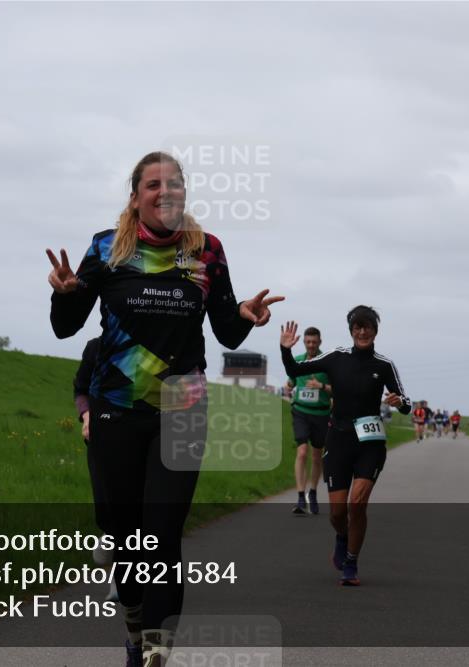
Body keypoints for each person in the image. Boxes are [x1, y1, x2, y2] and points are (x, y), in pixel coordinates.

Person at [48, 151, 282, 667]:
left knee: (162, 536)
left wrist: (245, 315)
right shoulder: (107, 248)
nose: (165, 191)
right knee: (123, 537)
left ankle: (155, 653)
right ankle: (133, 623)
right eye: (153, 184)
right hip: (115, 406)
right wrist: (66, 295)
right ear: (136, 197)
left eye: (174, 183)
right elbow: (67, 327)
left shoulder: (207, 250)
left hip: (184, 406)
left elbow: (223, 325)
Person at [279, 306, 411, 586]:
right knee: (338, 513)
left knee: (358, 503)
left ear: (376, 330)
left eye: (368, 327)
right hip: (338, 440)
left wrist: (400, 402)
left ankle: (351, 562)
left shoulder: (384, 365)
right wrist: (286, 349)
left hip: (370, 442)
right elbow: (294, 369)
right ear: (351, 330)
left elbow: (406, 403)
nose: (362, 332)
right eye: (357, 327)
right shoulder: (336, 357)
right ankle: (342, 537)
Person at [73, 337, 120, 603]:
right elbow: (81, 389)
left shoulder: (161, 345)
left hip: (149, 440)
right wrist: (87, 417)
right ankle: (110, 551)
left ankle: (128, 580)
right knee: (109, 511)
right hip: (103, 439)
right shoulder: (96, 347)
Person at [285, 326, 331, 515]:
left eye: (314, 342)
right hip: (301, 411)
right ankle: (300, 496)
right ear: (304, 342)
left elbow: (337, 389)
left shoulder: (327, 363)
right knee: (302, 451)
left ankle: (312, 492)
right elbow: (291, 382)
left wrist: (320, 385)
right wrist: (288, 386)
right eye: (308, 342)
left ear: (320, 342)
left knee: (316, 455)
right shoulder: (297, 361)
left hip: (321, 413)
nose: (311, 345)